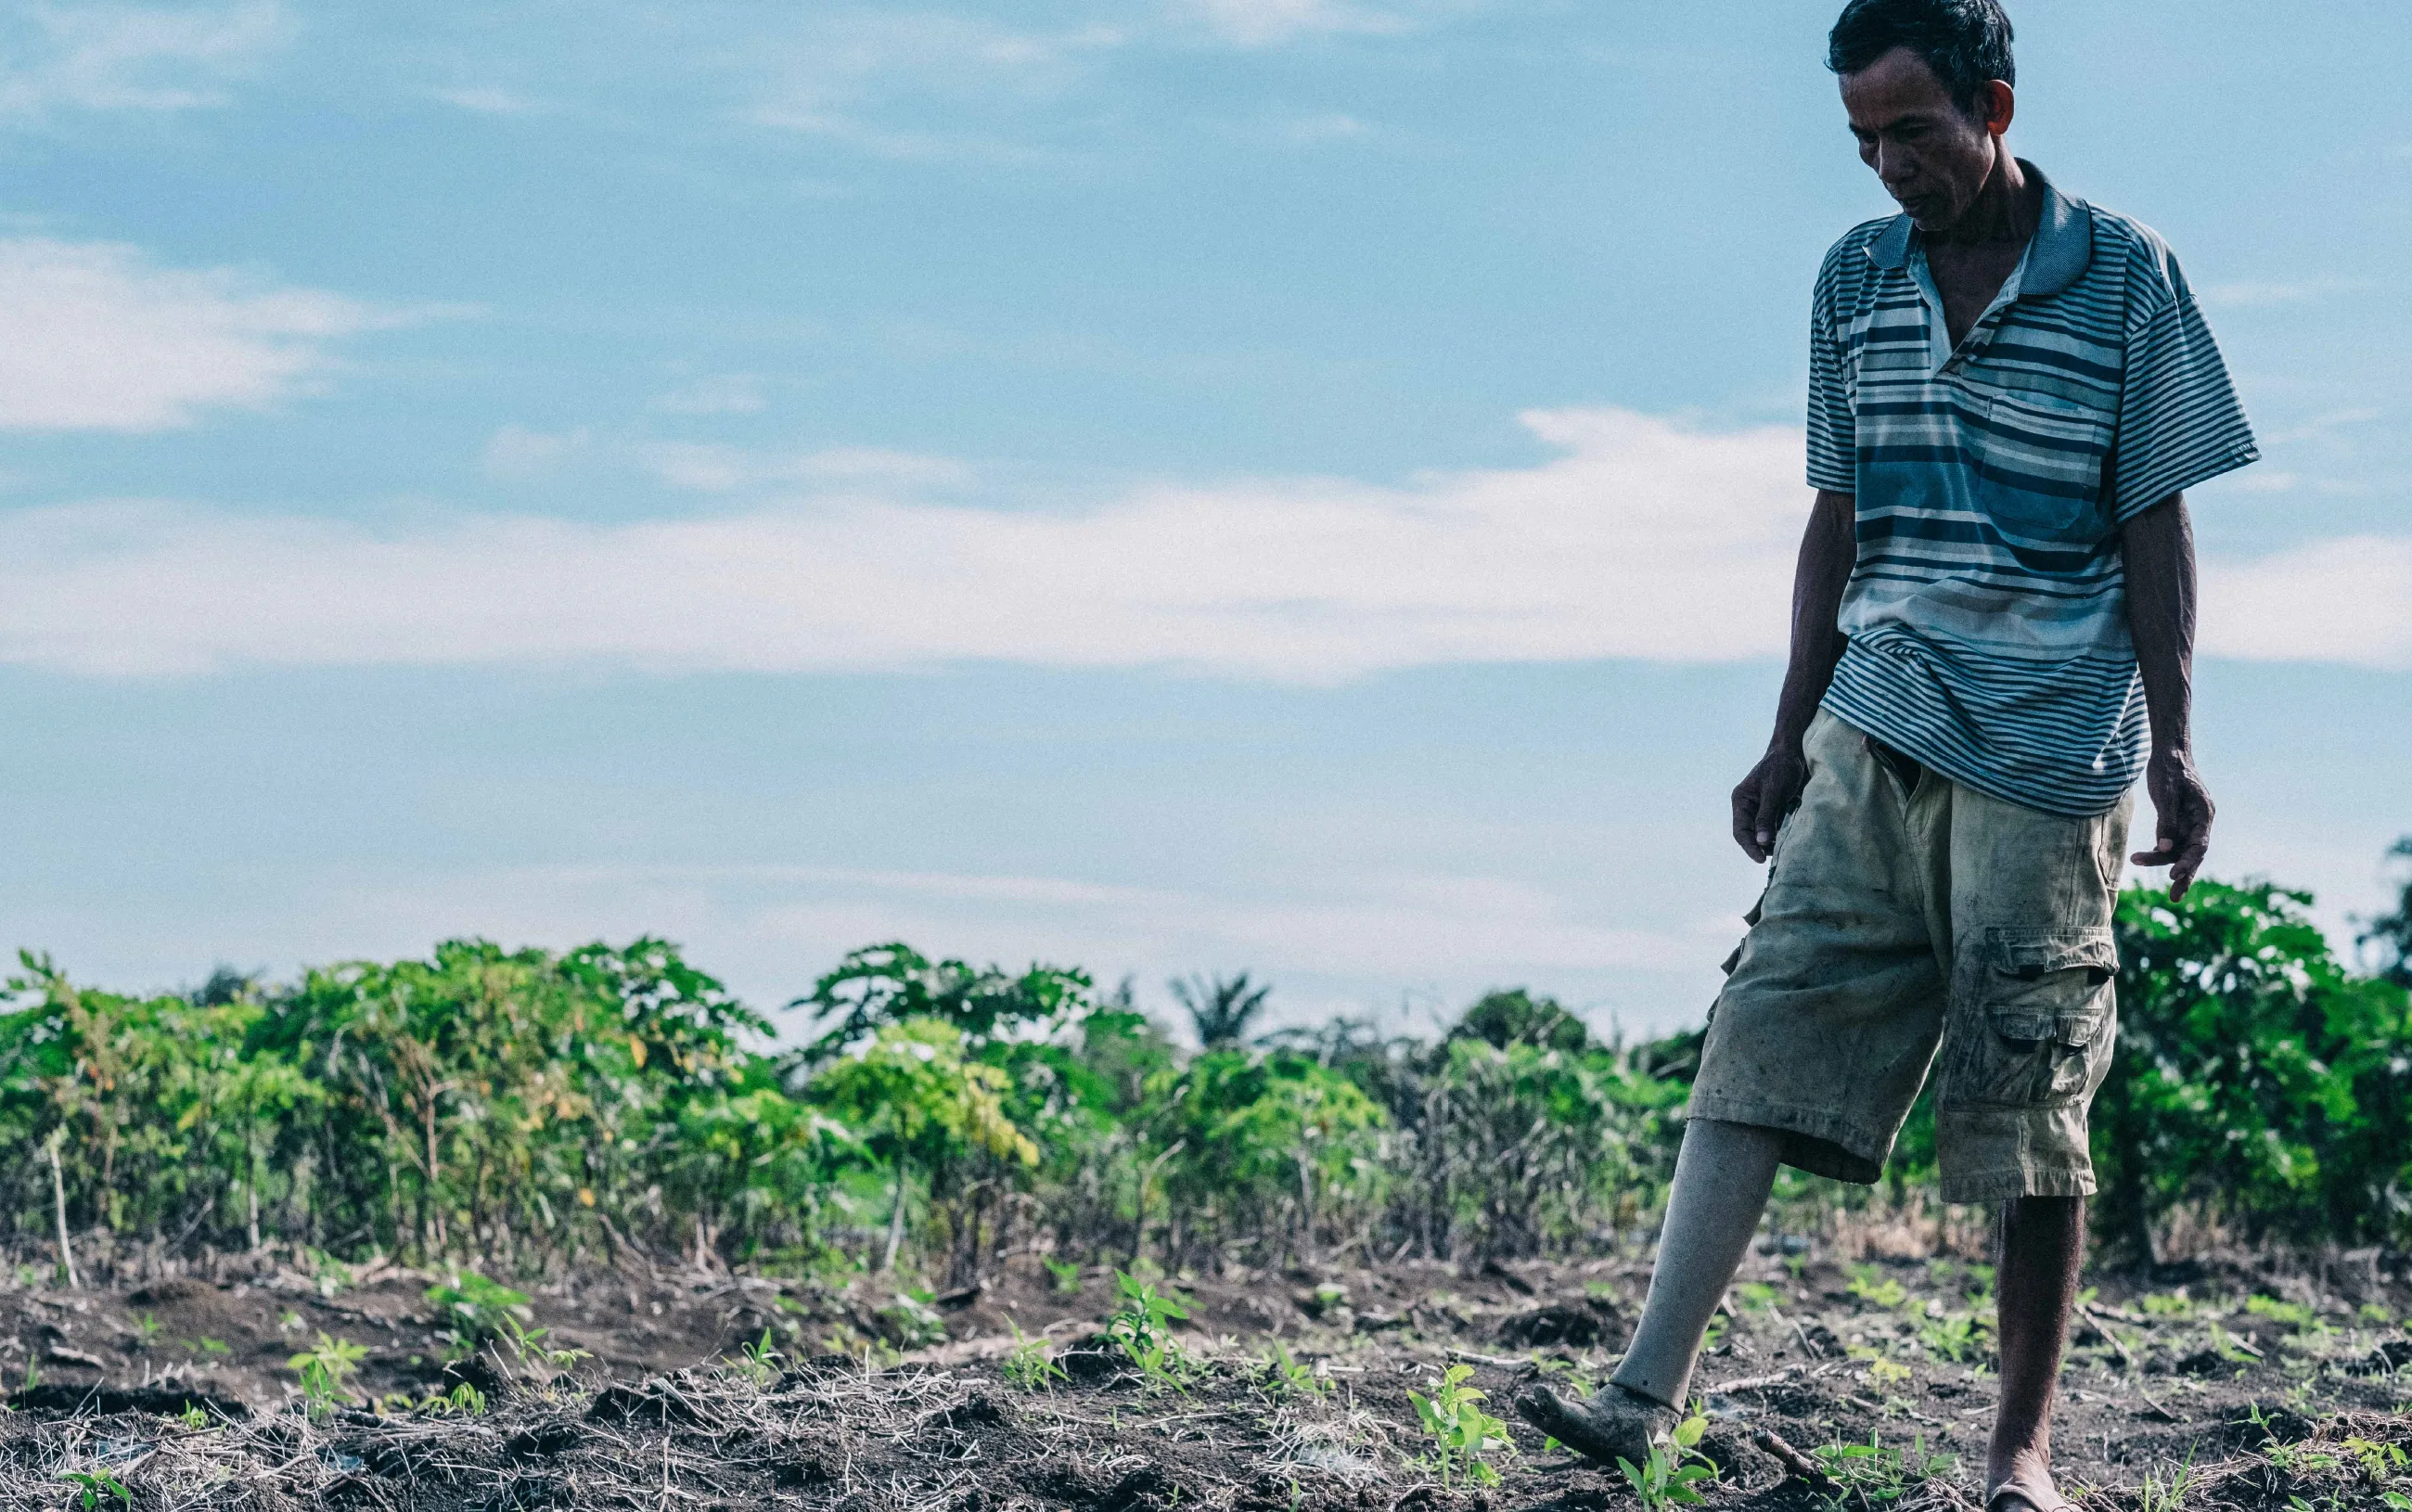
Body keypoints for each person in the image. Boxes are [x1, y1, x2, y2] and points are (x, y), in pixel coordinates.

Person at [1516, 3, 2255, 1508]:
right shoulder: (1853, 282)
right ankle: (1646, 1393)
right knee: (1760, 1026)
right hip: (1880, 713)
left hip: (2050, 746)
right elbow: (1836, 519)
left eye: (1909, 131)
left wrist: (2176, 741)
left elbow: (2156, 521)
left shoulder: (2128, 278)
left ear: (1993, 104)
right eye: (1860, 138)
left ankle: (2018, 1454)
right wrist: (1784, 732)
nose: (1883, 165)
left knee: (2030, 1092)